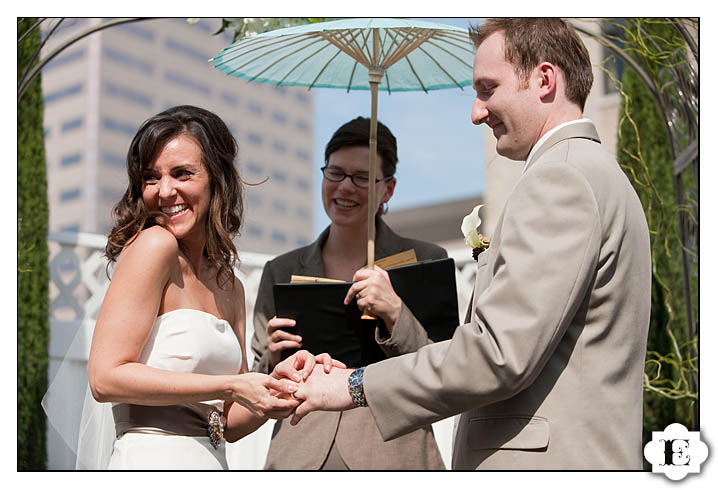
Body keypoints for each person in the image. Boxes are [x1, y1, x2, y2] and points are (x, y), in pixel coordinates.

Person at [289, 18, 652, 470]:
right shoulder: (595, 173)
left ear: (544, 79)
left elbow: (498, 354)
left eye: (487, 88)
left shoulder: (561, 179)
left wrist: (353, 385)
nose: (477, 112)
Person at [84, 105, 341, 470]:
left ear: (217, 179)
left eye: (182, 174)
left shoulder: (230, 285)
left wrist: (279, 383)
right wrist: (229, 386)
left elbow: (230, 424)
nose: (165, 191)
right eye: (150, 177)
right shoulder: (153, 246)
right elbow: (105, 378)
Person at [250, 117, 447, 470]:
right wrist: (272, 357)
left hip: (393, 454)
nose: (344, 187)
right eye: (335, 173)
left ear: (388, 189)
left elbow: (447, 371)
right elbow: (260, 391)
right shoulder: (280, 271)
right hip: (299, 455)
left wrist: (396, 313)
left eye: (361, 178)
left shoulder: (425, 261)